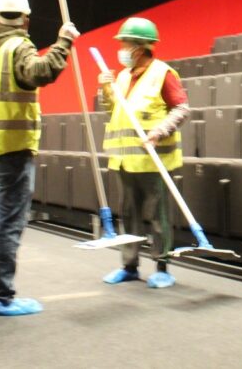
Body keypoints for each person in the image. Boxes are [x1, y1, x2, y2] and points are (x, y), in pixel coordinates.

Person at [0, 0, 79, 316]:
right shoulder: (18, 45)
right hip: (11, 147)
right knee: (9, 221)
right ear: (25, 19)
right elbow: (40, 73)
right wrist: (63, 42)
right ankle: (1, 297)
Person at [98, 17, 190, 289]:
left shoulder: (163, 73)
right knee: (129, 216)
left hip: (154, 160)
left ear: (139, 47)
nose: (122, 49)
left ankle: (162, 267)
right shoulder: (122, 76)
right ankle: (129, 266)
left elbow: (182, 109)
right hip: (125, 160)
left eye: (125, 44)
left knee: (159, 217)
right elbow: (112, 111)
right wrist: (105, 88)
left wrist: (160, 131)